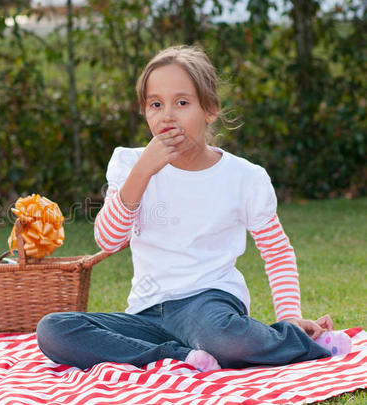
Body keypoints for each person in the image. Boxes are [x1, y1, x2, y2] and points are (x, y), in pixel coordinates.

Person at [35, 45, 352, 371]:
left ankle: (298, 339)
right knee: (53, 330)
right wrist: (143, 172)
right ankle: (177, 356)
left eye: (182, 103)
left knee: (226, 338)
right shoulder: (130, 164)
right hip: (146, 314)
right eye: (156, 104)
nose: (167, 115)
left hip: (209, 304)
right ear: (144, 111)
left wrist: (289, 315)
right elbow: (108, 240)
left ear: (210, 109)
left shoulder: (244, 177)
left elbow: (277, 251)